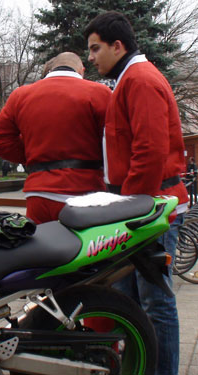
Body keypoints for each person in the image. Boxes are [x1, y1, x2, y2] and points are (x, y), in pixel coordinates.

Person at [85, 11, 189, 375]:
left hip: (152, 207)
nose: (91, 57)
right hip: (145, 203)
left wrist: (130, 208)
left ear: (118, 45)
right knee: (132, 300)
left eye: (96, 49)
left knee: (155, 303)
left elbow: (150, 152)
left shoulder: (140, 80)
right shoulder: (131, 78)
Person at [0, 52, 112, 223]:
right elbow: (113, 140)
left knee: (41, 248)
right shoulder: (99, 93)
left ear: (51, 67)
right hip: (85, 190)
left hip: (39, 193)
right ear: (81, 70)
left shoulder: (21, 95)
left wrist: (32, 156)